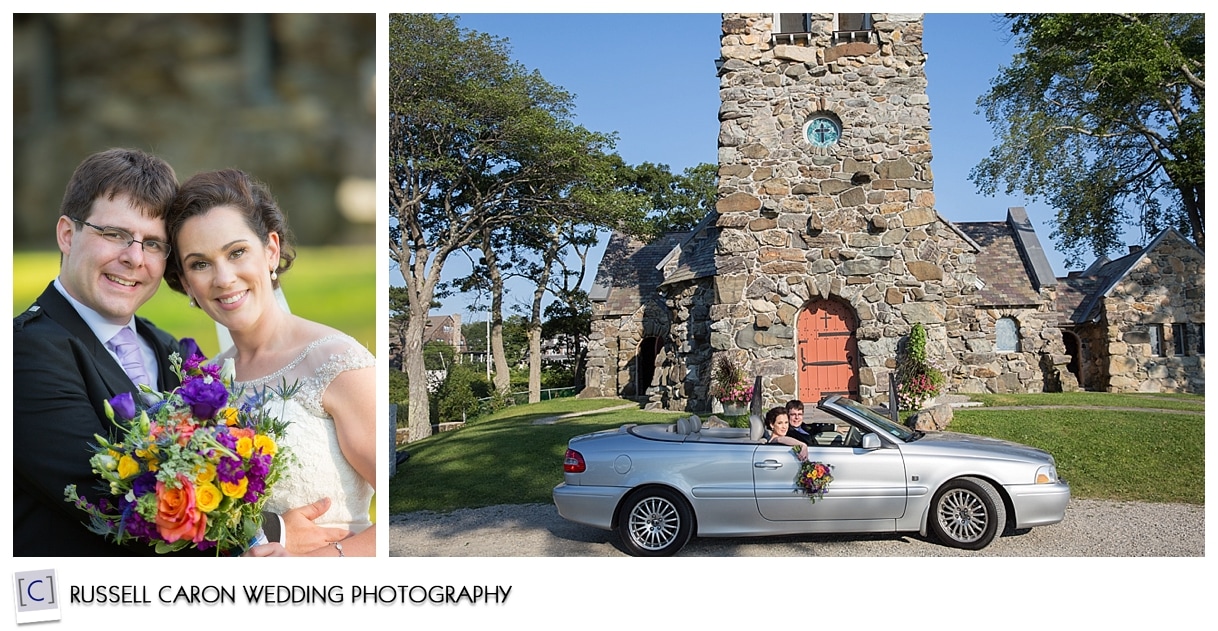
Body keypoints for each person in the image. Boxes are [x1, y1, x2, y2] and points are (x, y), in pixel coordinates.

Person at [13, 149, 342, 556]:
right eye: (114, 234)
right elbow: (106, 498)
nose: (134, 258)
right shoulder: (24, 352)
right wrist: (273, 532)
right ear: (67, 233)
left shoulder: (168, 348)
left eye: (153, 244)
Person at [163, 168, 376, 557]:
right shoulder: (202, 387)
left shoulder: (338, 363)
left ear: (271, 251)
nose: (224, 278)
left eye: (237, 252)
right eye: (200, 264)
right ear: (186, 283)